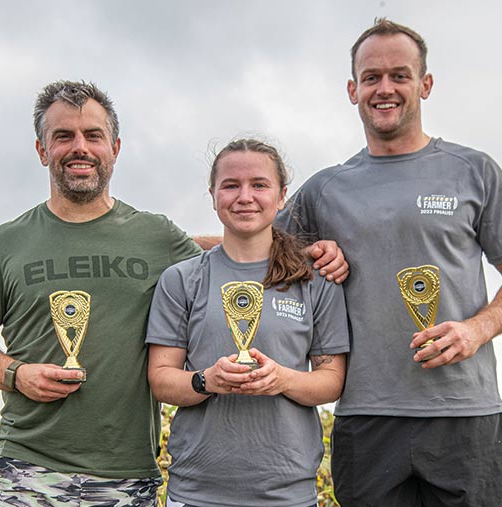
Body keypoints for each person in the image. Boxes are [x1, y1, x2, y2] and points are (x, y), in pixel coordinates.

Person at [0, 80, 348, 506]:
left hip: (127, 472)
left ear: (115, 148)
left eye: (93, 136)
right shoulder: (5, 242)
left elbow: (228, 250)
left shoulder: (155, 237)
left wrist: (301, 252)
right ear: (42, 150)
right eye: (63, 136)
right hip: (30, 467)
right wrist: (16, 375)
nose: (79, 147)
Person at [274, 19, 502, 507]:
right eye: (372, 77)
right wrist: (160, 242)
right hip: (366, 417)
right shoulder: (324, 189)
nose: (385, 88)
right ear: (353, 89)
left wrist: (476, 330)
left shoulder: (474, 171)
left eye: (399, 75)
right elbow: (248, 243)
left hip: (465, 415)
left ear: (425, 84)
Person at [145, 138, 350, 507]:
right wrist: (208, 380)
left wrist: (282, 378)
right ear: (213, 194)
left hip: (287, 495)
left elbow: (331, 380)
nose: (244, 197)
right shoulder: (181, 279)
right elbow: (161, 378)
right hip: (195, 494)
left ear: (282, 196)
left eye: (259, 184)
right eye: (230, 185)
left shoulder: (315, 281)